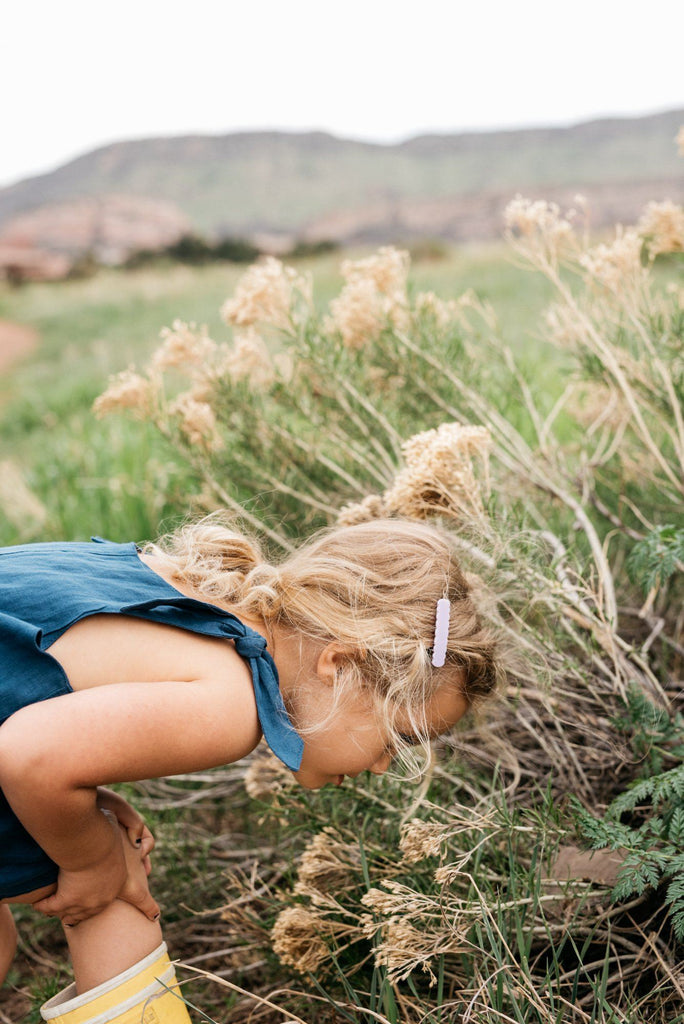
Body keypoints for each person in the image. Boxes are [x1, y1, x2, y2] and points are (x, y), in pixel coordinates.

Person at [0, 515, 498, 1023]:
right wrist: (91, 861)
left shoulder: (187, 587)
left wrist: (86, 795)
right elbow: (30, 756)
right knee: (112, 882)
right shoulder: (230, 706)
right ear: (340, 665)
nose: (381, 766)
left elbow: (36, 690)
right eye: (397, 737)